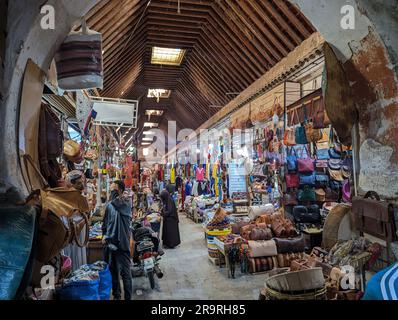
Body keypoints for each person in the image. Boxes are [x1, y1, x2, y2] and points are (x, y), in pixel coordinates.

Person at [102, 180, 133, 300]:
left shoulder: (125, 202)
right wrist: (105, 235)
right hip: (111, 243)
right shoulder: (110, 205)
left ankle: (128, 297)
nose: (111, 190)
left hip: (122, 242)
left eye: (114, 188)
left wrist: (115, 193)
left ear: (119, 189)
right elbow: (106, 223)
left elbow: (116, 203)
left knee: (126, 273)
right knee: (113, 271)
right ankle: (117, 295)